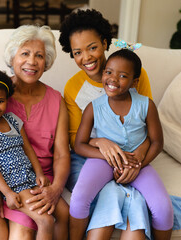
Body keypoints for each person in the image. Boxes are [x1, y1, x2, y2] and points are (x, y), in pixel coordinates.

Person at [0, 25, 70, 240]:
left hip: (33, 176)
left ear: (47, 62)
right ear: (12, 58)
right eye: (24, 53)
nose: (32, 62)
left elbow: (62, 154)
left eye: (39, 56)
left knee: (25, 233)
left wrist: (55, 188)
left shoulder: (56, 101)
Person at [58, 8, 154, 240]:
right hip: (88, 155)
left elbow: (149, 126)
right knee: (111, 189)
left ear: (104, 42)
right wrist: (101, 143)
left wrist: (137, 159)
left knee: (135, 190)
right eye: (78, 52)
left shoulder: (133, 75)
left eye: (92, 47)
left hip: (130, 151)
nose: (87, 58)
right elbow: (75, 139)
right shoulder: (73, 87)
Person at [71, 49, 173, 240]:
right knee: (79, 199)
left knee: (163, 208)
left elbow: (157, 142)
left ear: (135, 82)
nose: (113, 79)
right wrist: (111, 157)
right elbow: (79, 145)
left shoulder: (146, 105)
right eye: (108, 72)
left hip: (136, 162)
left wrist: (137, 165)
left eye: (123, 75)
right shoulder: (93, 108)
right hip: (102, 161)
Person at [0, 69, 65, 240]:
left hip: (30, 176)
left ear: (7, 100)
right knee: (46, 221)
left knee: (64, 212)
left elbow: (28, 148)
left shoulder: (13, 120)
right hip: (13, 183)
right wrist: (7, 193)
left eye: (0, 101)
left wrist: (39, 173)